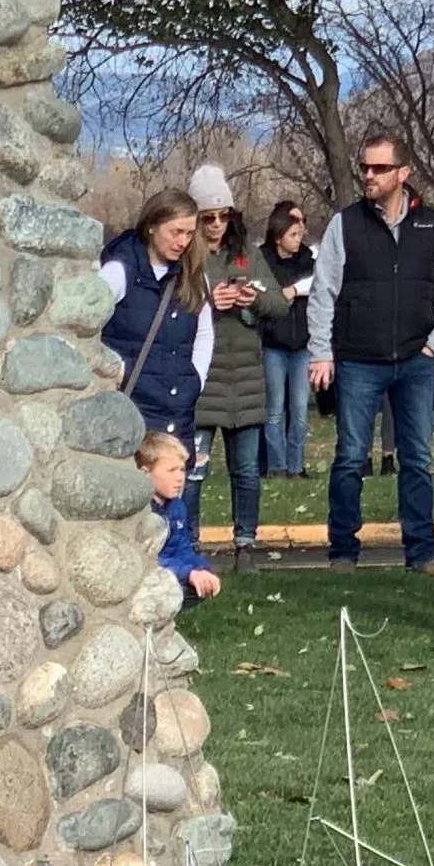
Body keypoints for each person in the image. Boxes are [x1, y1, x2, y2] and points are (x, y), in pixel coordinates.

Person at [307, 134, 434, 572]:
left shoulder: (430, 224)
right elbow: (323, 293)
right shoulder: (345, 224)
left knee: (415, 458)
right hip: (358, 359)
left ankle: (421, 552)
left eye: (379, 168)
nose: (368, 176)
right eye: (365, 168)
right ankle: (342, 552)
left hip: (416, 360)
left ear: (403, 173)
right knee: (351, 457)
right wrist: (322, 352)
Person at [184, 166, 287, 575]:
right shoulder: (185, 253)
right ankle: (188, 544)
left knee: (245, 471)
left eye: (223, 215)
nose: (216, 225)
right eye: (207, 217)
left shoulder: (246, 253)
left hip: (245, 377)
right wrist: (211, 300)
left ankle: (246, 545)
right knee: (193, 471)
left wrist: (250, 298)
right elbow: (173, 306)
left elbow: (278, 305)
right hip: (202, 380)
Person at [99, 189, 212, 441]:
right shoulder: (118, 272)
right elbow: (87, 325)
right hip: (131, 409)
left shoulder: (194, 277)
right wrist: (115, 368)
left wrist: (196, 379)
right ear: (151, 227)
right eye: (176, 232)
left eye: (189, 233)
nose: (183, 242)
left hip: (178, 412)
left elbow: (204, 332)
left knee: (176, 480)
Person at [258, 200, 315, 476]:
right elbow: (264, 295)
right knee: (275, 409)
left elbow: (316, 288)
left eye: (300, 232)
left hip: (302, 345)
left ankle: (296, 465)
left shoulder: (308, 260)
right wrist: (286, 292)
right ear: (279, 236)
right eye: (293, 234)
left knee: (300, 409)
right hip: (273, 345)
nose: (299, 237)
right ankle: (276, 466)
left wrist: (296, 290)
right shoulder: (263, 260)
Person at [140, 430, 219, 605]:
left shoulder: (177, 506)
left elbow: (182, 549)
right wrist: (188, 573)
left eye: (182, 470)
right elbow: (146, 560)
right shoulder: (141, 513)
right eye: (171, 470)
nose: (180, 478)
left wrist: (202, 568)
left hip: (171, 572)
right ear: (146, 473)